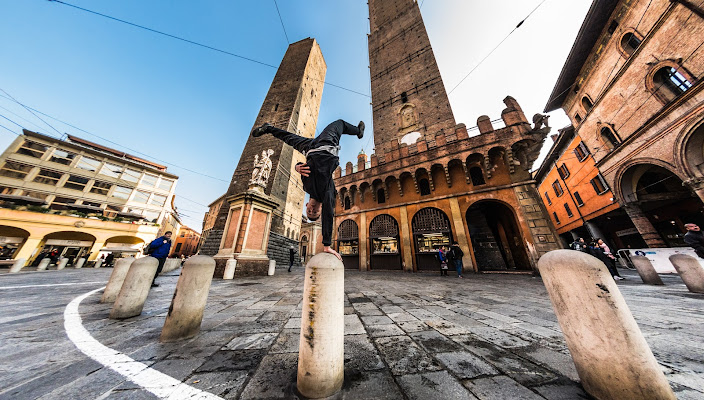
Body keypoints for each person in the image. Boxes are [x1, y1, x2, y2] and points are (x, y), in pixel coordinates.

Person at [251, 119, 364, 260]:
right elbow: (329, 213)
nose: (312, 210)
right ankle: (359, 132)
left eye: (309, 211)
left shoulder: (306, 187)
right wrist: (327, 245)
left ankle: (268, 128)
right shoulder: (327, 192)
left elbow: (303, 167)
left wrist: (297, 166)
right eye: (315, 212)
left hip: (309, 149)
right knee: (340, 123)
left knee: (289, 138)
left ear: (306, 206)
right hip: (326, 144)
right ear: (320, 209)